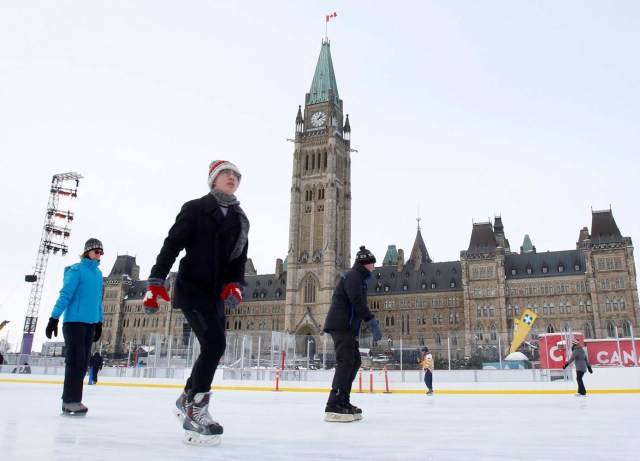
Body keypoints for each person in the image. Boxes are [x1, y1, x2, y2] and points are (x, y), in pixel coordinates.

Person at [143, 160, 248, 446]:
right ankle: (195, 407)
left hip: (216, 293)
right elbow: (172, 245)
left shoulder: (240, 219)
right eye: (226, 174)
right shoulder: (195, 207)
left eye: (236, 175)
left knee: (214, 345)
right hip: (192, 287)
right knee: (215, 344)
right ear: (213, 179)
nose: (232, 178)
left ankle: (187, 397)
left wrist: (234, 284)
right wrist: (156, 281)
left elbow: (238, 259)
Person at [323, 246, 382, 422]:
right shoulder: (353, 277)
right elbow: (356, 301)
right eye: (373, 264)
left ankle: (343, 401)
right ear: (366, 264)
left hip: (348, 327)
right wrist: (372, 321)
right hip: (341, 326)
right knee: (346, 361)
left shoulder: (359, 278)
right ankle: (333, 404)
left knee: (354, 361)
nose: (374, 268)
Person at [45, 238, 104, 415]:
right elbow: (65, 295)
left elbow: (97, 300)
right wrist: (54, 318)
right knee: (75, 361)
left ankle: (74, 400)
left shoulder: (98, 274)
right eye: (96, 251)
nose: (98, 255)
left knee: (83, 362)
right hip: (74, 321)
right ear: (87, 252)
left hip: (90, 322)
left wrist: (99, 321)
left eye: (101, 252)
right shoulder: (76, 271)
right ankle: (69, 400)